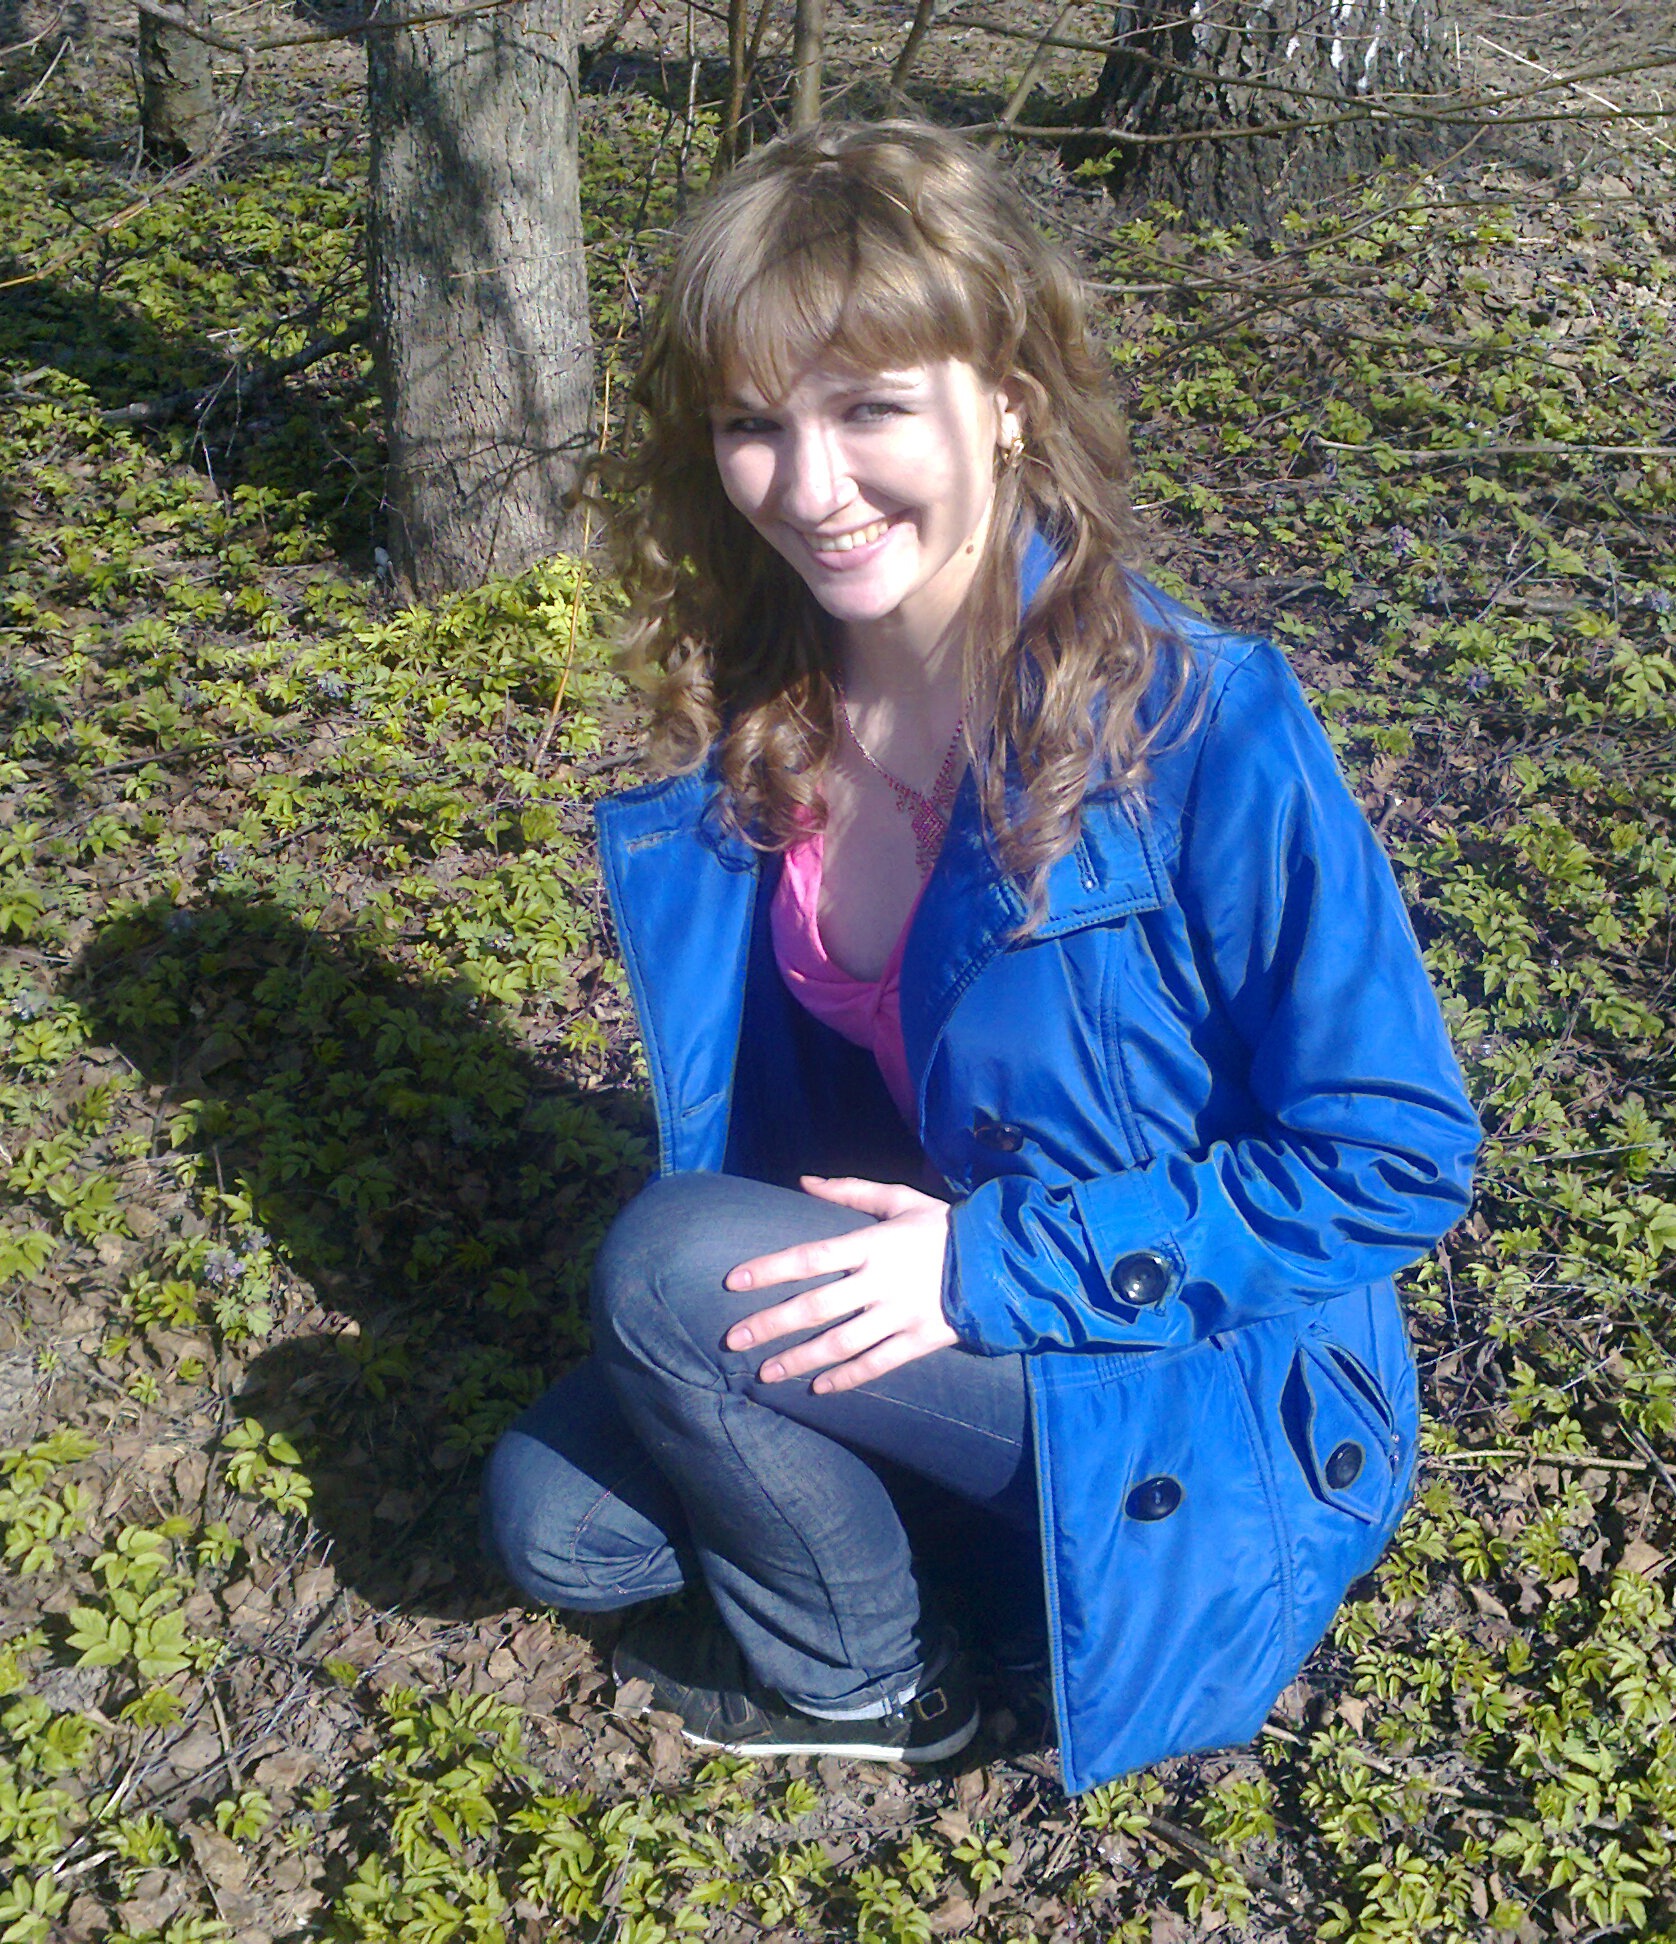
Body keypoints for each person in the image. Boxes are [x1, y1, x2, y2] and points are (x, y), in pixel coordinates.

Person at [482, 120, 1480, 1795]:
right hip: (942, 1284)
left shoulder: (1203, 726)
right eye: (753, 425)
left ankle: (881, 1685)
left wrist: (983, 1270)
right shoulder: (769, 706)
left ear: (1005, 397)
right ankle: (984, 1553)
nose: (811, 488)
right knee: (561, 1525)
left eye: (870, 410)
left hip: (1184, 1375)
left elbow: (1394, 1159)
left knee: (662, 1276)